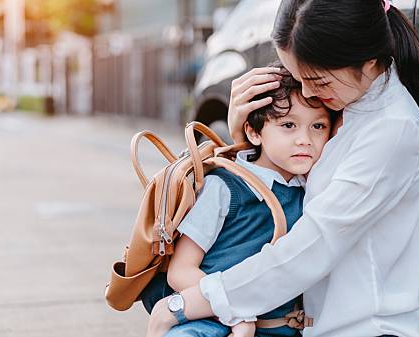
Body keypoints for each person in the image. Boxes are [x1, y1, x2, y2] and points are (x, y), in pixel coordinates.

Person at [146, 0, 419, 336]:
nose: (307, 92)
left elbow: (311, 248)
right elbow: (288, 188)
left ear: (367, 60)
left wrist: (186, 304)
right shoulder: (349, 106)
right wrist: (247, 136)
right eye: (299, 78)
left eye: (317, 80)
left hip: (371, 328)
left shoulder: (391, 128)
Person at [141, 66, 333, 337]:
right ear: (254, 133)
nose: (305, 140)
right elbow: (181, 271)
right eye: (288, 125)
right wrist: (234, 313)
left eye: (318, 126)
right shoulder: (226, 187)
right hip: (209, 321)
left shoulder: (313, 190)